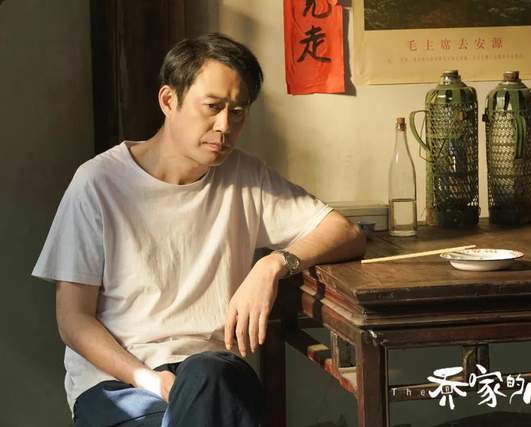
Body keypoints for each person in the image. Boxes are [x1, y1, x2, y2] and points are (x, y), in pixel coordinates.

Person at [32, 32, 366, 426]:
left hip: (214, 378)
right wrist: (152, 381)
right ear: (168, 100)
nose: (225, 126)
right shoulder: (98, 183)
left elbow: (344, 232)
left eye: (237, 112)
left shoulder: (246, 177)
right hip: (120, 385)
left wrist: (272, 265)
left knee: (209, 373)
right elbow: (73, 320)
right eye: (213, 107)